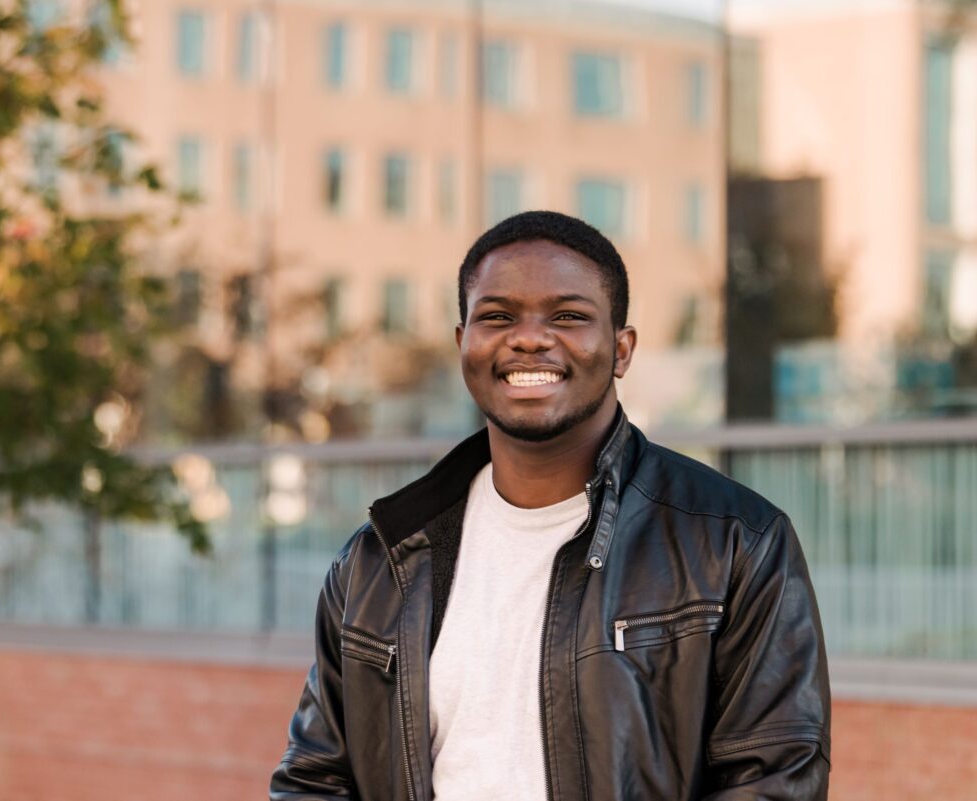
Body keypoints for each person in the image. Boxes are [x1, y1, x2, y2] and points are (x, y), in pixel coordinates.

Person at [270, 210, 831, 800]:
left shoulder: (735, 541)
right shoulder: (380, 560)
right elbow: (315, 779)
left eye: (567, 316)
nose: (530, 337)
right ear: (464, 345)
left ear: (620, 349)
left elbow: (775, 781)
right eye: (497, 316)